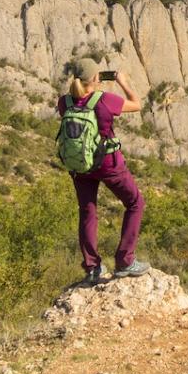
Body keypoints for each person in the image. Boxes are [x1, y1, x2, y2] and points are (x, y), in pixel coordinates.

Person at [58, 57, 148, 284]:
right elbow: (136, 104)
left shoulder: (64, 102)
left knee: (87, 212)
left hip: (80, 166)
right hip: (108, 165)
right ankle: (125, 261)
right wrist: (123, 82)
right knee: (135, 203)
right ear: (96, 78)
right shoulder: (105, 100)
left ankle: (92, 268)